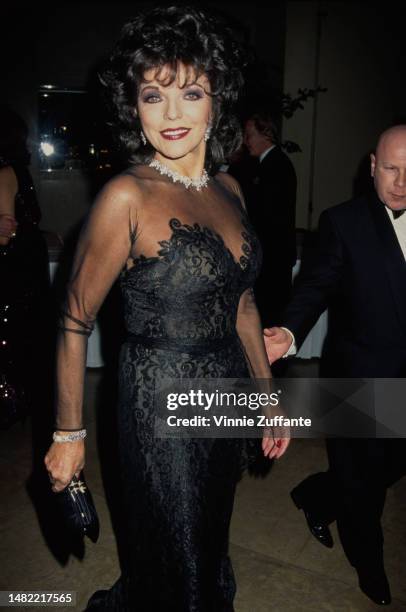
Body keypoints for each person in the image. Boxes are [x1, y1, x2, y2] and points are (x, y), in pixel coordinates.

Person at [44, 7, 289, 611]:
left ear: (216, 103)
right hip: (157, 396)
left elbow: (244, 303)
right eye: (154, 95)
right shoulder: (127, 195)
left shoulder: (229, 189)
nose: (172, 113)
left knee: (207, 539)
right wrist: (68, 434)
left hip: (222, 394)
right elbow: (74, 319)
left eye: (191, 92)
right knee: (177, 555)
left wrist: (266, 398)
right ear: (136, 107)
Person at [263, 125, 406, 606]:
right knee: (366, 487)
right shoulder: (344, 222)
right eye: (391, 169)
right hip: (358, 375)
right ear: (371, 166)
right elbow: (315, 286)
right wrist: (288, 331)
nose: (402, 182)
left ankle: (318, 496)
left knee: (390, 464)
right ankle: (369, 566)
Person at [0, 106, 50, 428]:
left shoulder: (12, 172)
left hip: (22, 263)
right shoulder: (12, 172)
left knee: (18, 332)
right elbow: (8, 228)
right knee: (20, 333)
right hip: (22, 264)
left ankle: (15, 401)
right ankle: (16, 401)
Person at [243, 111, 297, 328]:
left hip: (272, 260)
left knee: (270, 320)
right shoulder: (270, 164)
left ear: (266, 134)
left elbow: (267, 218)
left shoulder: (276, 166)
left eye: (249, 135)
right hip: (271, 258)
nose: (246, 142)